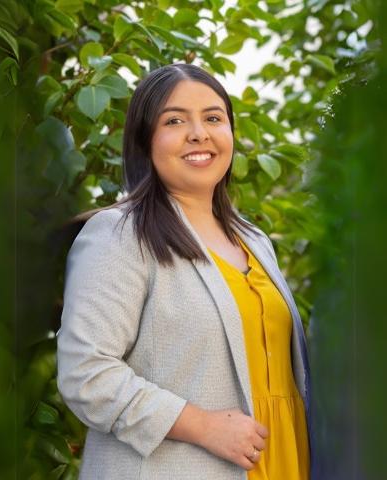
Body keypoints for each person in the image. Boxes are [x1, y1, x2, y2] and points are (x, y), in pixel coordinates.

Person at [56, 63, 314, 480]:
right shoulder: (120, 235)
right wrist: (203, 426)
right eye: (175, 120)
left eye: (213, 118)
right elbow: (86, 373)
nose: (199, 133)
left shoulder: (255, 241)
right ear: (145, 139)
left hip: (285, 461)